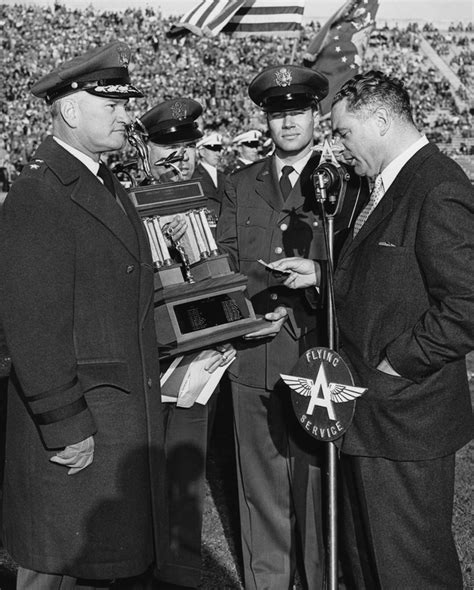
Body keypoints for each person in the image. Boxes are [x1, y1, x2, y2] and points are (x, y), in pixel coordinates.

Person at [270, 70, 474, 590]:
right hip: (367, 415)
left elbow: (467, 304)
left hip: (405, 419)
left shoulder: (438, 186)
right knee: (365, 564)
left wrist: (395, 364)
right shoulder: (380, 186)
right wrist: (322, 274)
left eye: (342, 133)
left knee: (409, 570)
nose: (336, 148)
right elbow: (387, 280)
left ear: (381, 121)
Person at [0, 41, 167, 590]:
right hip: (79, 429)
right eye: (112, 105)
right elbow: (33, 324)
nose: (127, 115)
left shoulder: (104, 184)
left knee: (101, 569)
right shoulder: (38, 194)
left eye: (127, 104)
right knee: (58, 572)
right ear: (70, 111)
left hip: (112, 417)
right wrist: (63, 423)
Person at [216, 64, 366, 590]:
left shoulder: (345, 184)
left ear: (315, 115)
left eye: (297, 111)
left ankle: (320, 580)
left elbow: (357, 268)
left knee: (316, 482)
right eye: (278, 113)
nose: (288, 123)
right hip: (254, 351)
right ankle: (269, 582)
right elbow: (226, 260)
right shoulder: (238, 184)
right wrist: (251, 311)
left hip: (316, 354)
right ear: (266, 119)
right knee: (259, 487)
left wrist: (318, 283)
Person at [139, 98, 235, 590]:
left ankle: (177, 569)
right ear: (146, 150)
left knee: (185, 463)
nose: (176, 158)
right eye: (165, 147)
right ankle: (138, 562)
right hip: (147, 355)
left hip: (207, 354)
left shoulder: (225, 195)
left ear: (198, 147)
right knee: (139, 465)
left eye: (185, 146)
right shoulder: (126, 197)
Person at [196, 132, 227, 219]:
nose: (218, 154)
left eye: (219, 150)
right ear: (202, 152)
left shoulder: (224, 176)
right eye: (213, 149)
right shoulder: (194, 176)